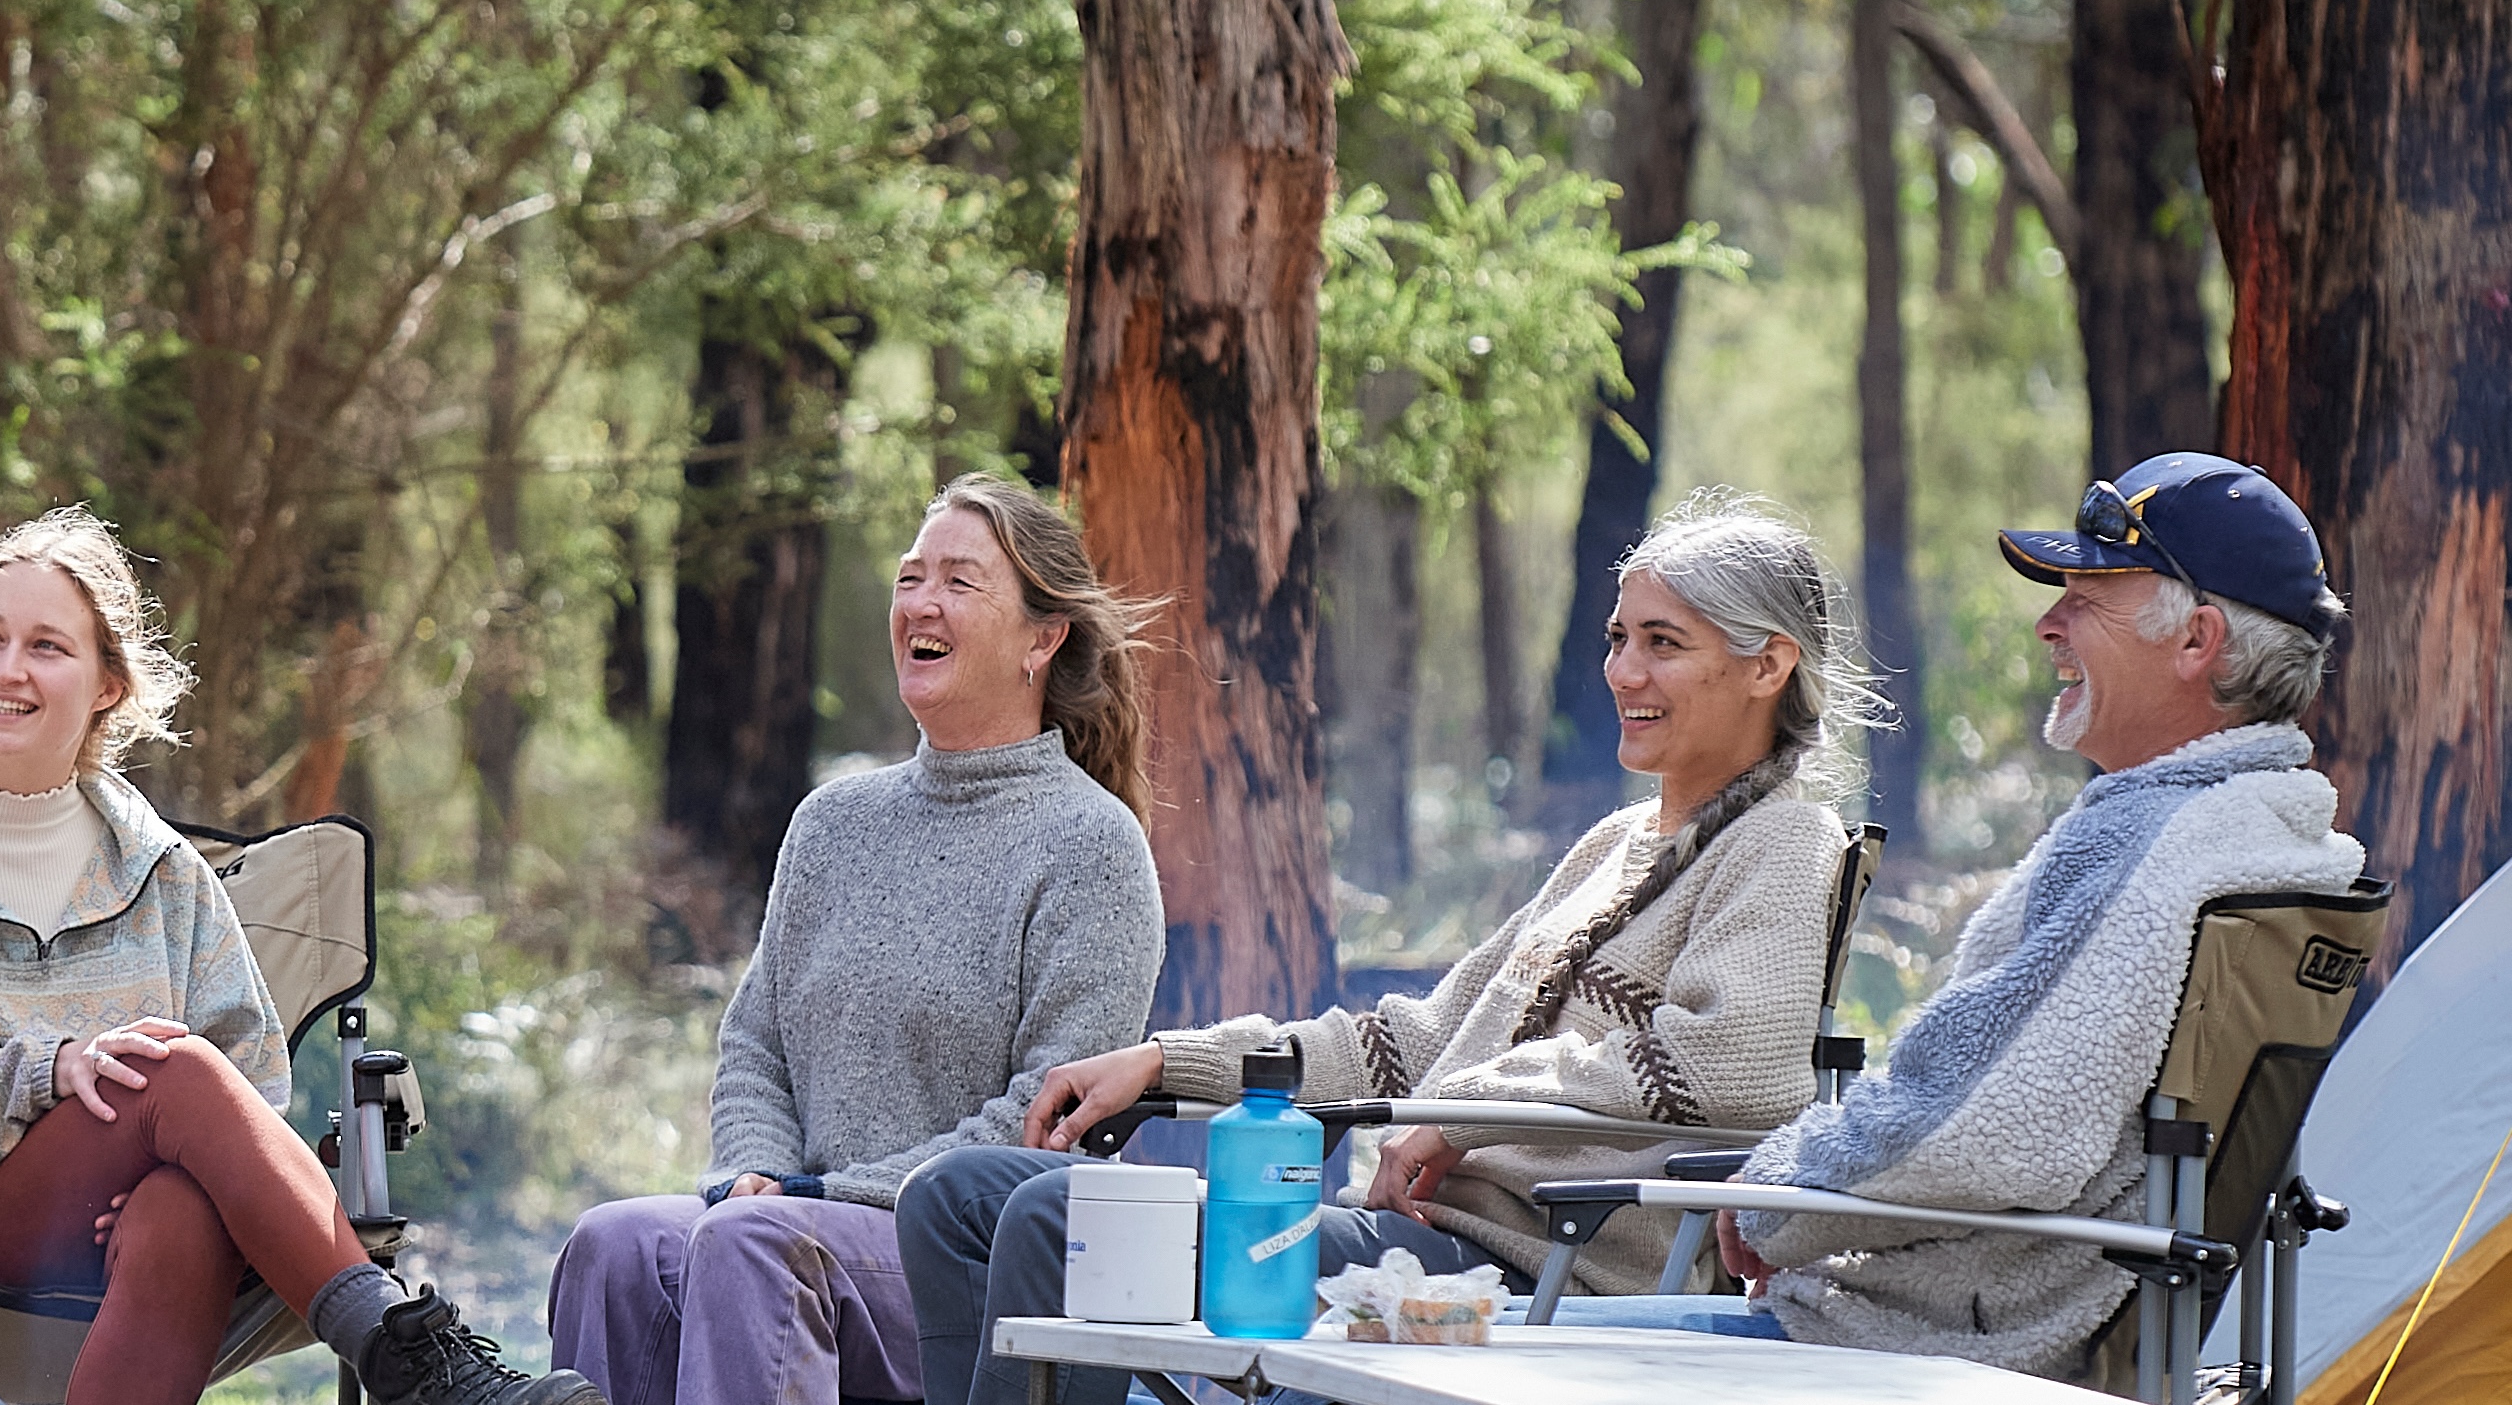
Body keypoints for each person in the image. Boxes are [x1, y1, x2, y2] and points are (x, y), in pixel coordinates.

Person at [905, 493, 1865, 1405]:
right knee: (954, 1194)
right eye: (1620, 638)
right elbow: (1409, 1042)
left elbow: (1733, 1065)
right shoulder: (1612, 846)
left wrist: (1464, 1118)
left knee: (1060, 1218)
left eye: (1664, 643)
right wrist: (1171, 1061)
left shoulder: (1786, 840)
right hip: (1417, 1241)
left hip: (1532, 1272)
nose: (1623, 671)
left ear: (1767, 663)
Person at [1545, 453, 2367, 1377]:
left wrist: (1775, 1190)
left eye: (2087, 600)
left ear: (2196, 641)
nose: (2048, 624)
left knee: (1505, 1359)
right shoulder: (2268, 831)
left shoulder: (2153, 844)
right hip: (2004, 1323)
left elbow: (1989, 1128)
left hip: (1923, 1347)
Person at [0, 510, 597, 1405]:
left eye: (48, 645)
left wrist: (160, 1172)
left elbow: (247, 1095)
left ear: (107, 686)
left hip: (128, 1223)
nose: (7, 669)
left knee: (185, 1211)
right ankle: (416, 1364)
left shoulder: (160, 868)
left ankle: (413, 1363)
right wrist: (45, 1074)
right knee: (163, 1067)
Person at [547, 473, 1165, 1405]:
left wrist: (819, 1196)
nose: (922, 600)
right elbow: (756, 1044)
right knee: (616, 1243)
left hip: (974, 1262)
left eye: (961, 582)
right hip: (798, 1221)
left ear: (1043, 637)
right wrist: (755, 1171)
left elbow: (1043, 1127)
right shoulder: (832, 823)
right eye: (911, 576)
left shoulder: (1094, 846)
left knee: (754, 1245)